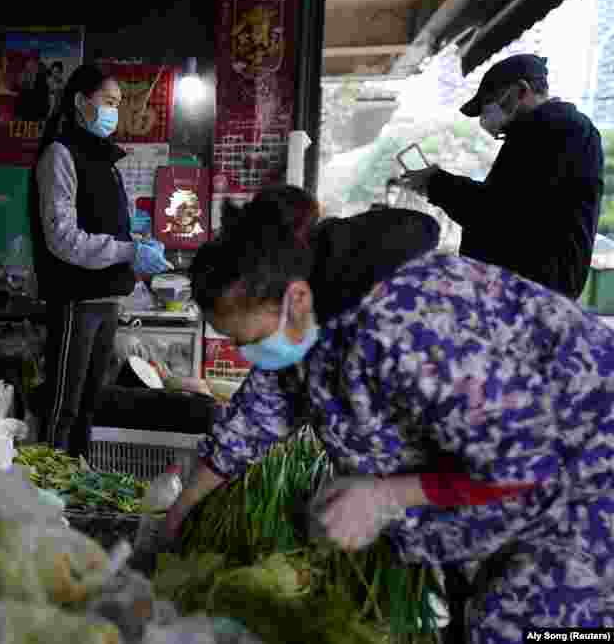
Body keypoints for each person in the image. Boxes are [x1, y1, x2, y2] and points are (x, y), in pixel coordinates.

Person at [163, 185, 614, 642]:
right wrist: (183, 505)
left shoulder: (407, 320)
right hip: (504, 490)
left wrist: (385, 495)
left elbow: (522, 455)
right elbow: (257, 414)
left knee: (532, 627)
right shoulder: (309, 313)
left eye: (246, 340)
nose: (246, 355)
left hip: (586, 483)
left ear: (295, 299)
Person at [29, 63, 170, 456]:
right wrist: (127, 250)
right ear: (79, 102)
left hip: (107, 298)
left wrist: (138, 242)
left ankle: (75, 483)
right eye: (108, 101)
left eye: (117, 103)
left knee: (90, 405)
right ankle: (45, 492)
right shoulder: (60, 155)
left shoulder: (104, 161)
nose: (114, 111)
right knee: (64, 407)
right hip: (77, 299)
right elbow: (62, 238)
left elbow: (102, 226)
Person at [403, 54, 604, 300]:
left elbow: (500, 212)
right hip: (523, 291)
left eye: (490, 102)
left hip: (532, 295)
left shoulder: (559, 130)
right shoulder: (538, 132)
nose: (486, 115)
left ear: (521, 90)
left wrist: (435, 183)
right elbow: (504, 202)